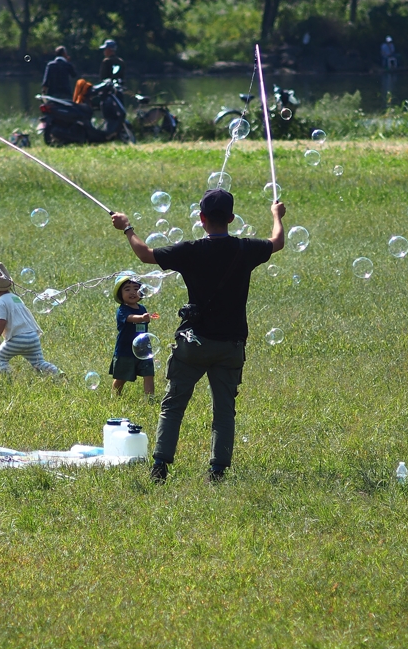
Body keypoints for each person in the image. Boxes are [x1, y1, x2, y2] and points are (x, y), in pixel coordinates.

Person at [110, 189, 286, 484]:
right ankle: (217, 472)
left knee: (173, 406)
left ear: (201, 219)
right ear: (231, 218)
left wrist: (127, 227)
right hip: (230, 345)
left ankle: (160, 467)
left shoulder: (191, 250)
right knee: (224, 410)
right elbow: (277, 241)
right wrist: (276, 216)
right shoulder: (245, 249)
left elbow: (145, 254)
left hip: (193, 344)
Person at [0, 263, 60, 375]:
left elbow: (1, 322)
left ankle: (8, 380)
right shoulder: (16, 298)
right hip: (33, 337)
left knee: (1, 359)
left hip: (17, 339)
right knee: (39, 363)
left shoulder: (0, 302)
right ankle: (58, 373)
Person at [109, 275, 155, 398]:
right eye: (127, 289)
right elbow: (129, 318)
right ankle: (115, 395)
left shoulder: (142, 308)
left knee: (149, 374)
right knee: (122, 377)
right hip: (126, 349)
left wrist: (146, 317)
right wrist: (142, 318)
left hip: (143, 348)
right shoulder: (122, 310)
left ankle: (149, 397)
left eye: (136, 288)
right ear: (120, 294)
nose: (132, 292)